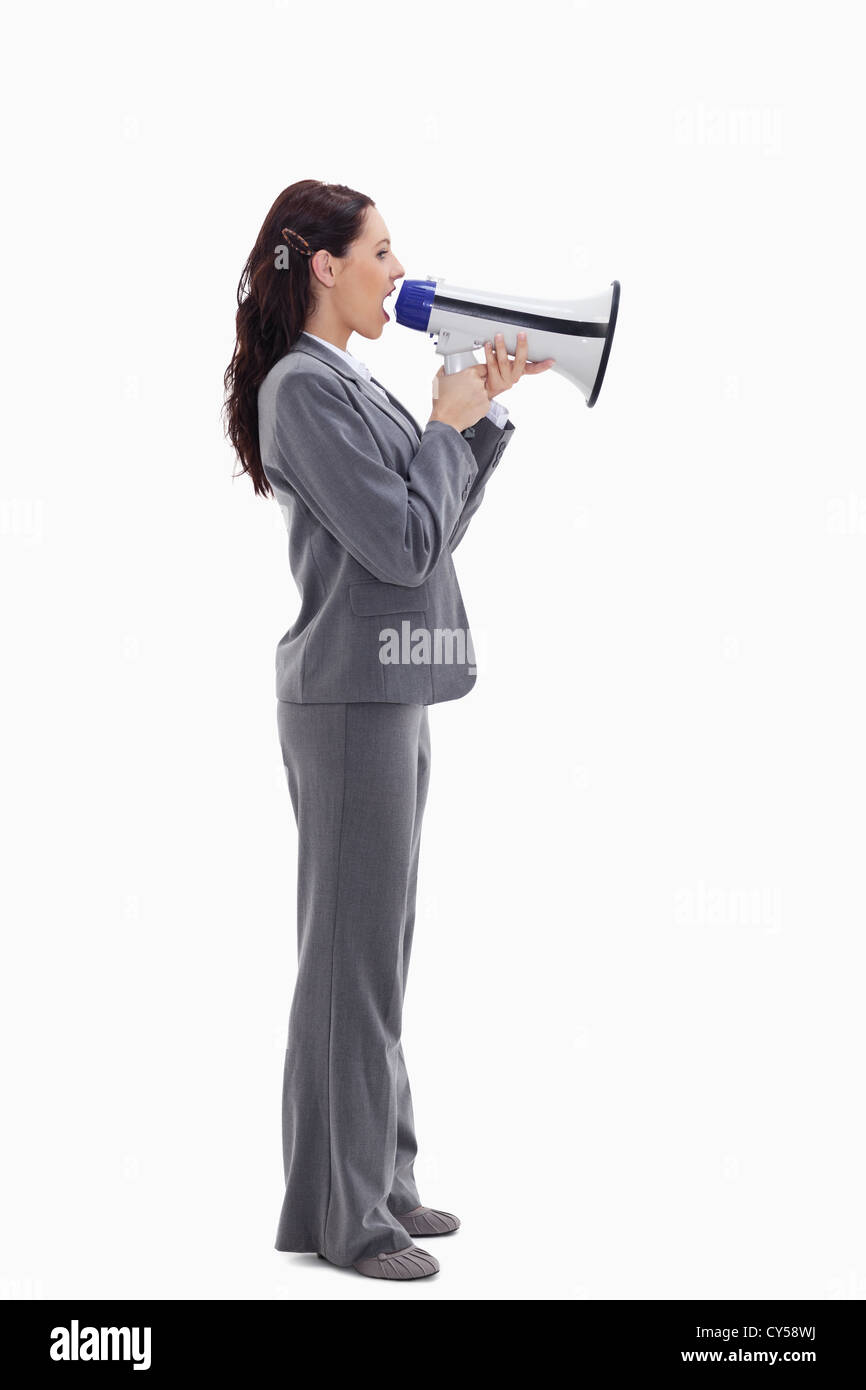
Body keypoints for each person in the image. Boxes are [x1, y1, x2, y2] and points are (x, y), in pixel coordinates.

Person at [223, 180, 554, 1281]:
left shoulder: (345, 382)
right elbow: (404, 544)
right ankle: (345, 1217)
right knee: (349, 962)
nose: (398, 270)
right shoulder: (300, 390)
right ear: (324, 266)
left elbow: (427, 526)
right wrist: (445, 422)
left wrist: (480, 415)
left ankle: (380, 1180)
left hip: (386, 685)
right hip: (351, 697)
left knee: (376, 952)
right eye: (381, 250)